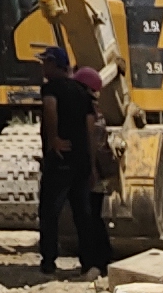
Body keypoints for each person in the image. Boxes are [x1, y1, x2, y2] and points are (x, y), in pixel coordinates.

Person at [33, 41, 115, 276]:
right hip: (80, 161)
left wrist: (54, 138)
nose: (43, 67)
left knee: (50, 211)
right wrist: (91, 166)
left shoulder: (51, 89)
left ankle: (48, 261)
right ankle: (88, 262)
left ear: (55, 64)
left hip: (61, 159)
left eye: (45, 62)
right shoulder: (83, 94)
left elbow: (50, 109)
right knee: (83, 213)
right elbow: (90, 129)